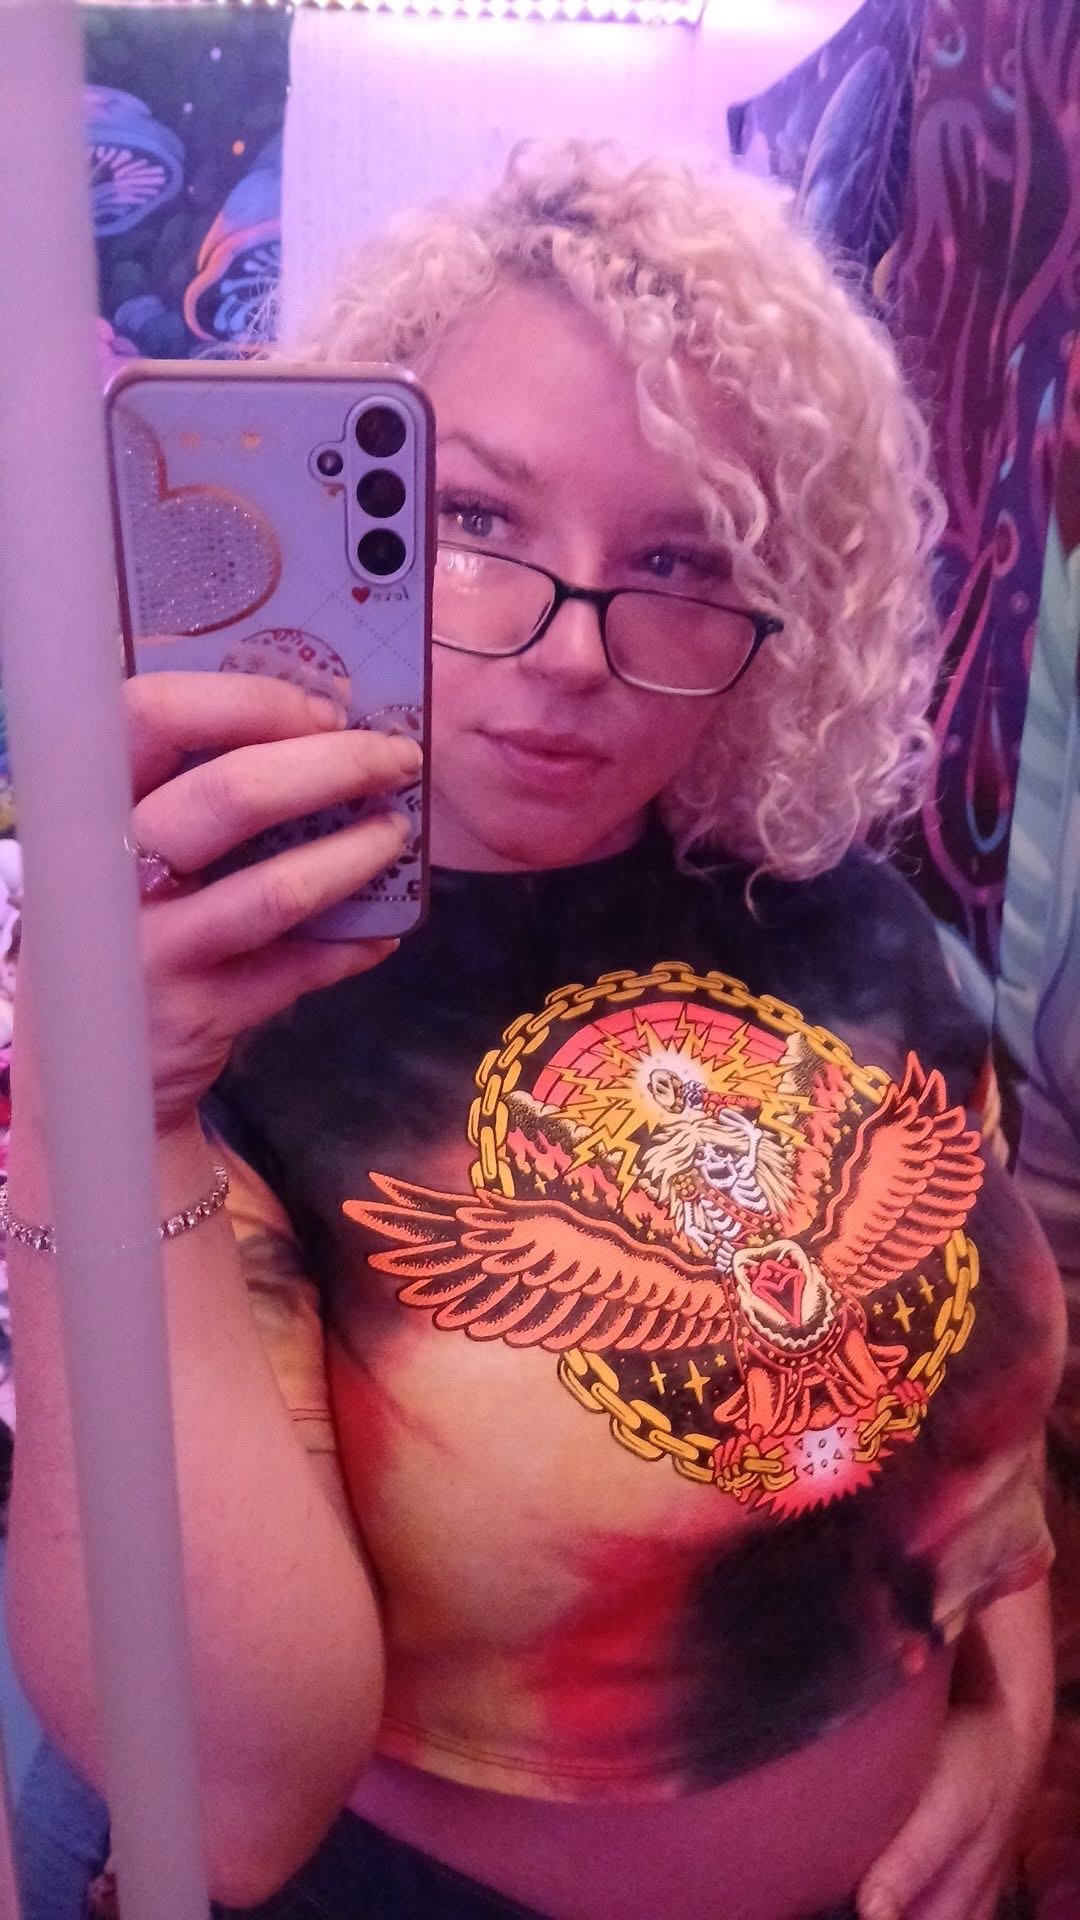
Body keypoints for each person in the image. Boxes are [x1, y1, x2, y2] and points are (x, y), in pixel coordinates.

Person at [4, 143, 1067, 1920]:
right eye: (476, 522)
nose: (573, 650)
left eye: (678, 555)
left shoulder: (846, 924)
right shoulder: (224, 1000)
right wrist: (108, 1112)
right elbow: (233, 1805)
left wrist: (1002, 1702)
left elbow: (966, 1394)